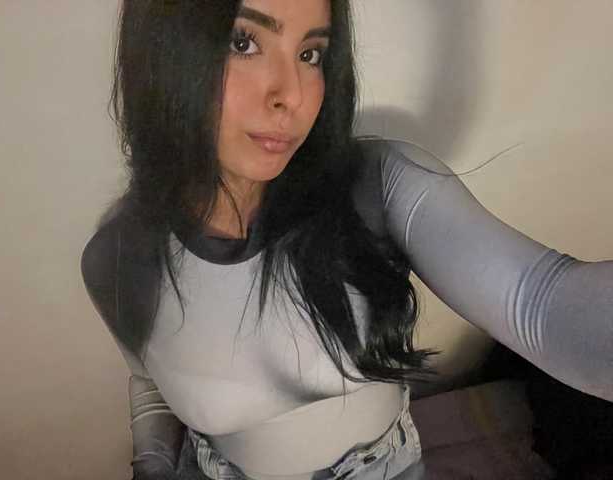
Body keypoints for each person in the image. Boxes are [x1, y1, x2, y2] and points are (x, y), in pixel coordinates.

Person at [80, 1, 612, 479]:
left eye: (310, 54)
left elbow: (543, 303)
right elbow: (150, 380)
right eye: (244, 42)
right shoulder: (117, 260)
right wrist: (151, 464)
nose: (292, 94)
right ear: (164, 53)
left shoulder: (377, 189)